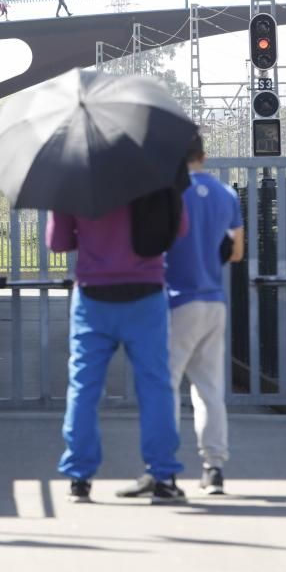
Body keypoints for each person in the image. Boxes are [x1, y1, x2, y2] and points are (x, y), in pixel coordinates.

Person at [48, 199, 187, 504]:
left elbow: (57, 243)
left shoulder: (76, 178)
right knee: (155, 385)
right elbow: (180, 228)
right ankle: (163, 475)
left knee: (83, 386)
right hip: (146, 294)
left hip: (93, 296)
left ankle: (79, 477)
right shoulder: (154, 175)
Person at [165, 133, 244, 495]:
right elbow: (237, 253)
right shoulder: (227, 195)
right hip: (215, 299)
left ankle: (163, 466)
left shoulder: (171, 194)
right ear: (204, 155)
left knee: (165, 385)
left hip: (178, 300)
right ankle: (214, 468)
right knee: (209, 389)